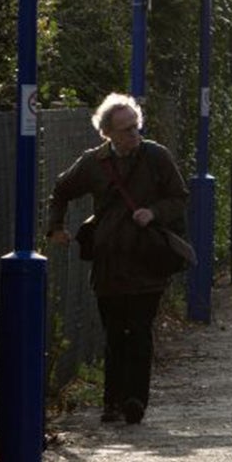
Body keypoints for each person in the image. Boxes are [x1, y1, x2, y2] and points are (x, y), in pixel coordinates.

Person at [47, 93, 190, 426]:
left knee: (139, 331)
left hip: (147, 259)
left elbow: (179, 197)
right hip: (109, 260)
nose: (133, 135)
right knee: (114, 333)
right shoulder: (93, 163)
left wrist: (153, 212)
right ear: (107, 133)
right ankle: (111, 401)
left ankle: (135, 400)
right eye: (125, 130)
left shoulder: (156, 157)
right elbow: (62, 189)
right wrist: (55, 227)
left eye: (136, 127)